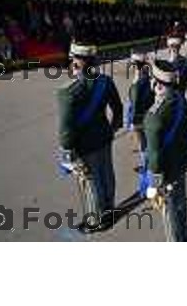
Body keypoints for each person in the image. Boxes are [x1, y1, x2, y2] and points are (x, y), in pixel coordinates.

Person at [56, 43, 123, 232]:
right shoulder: (105, 81)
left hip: (84, 144)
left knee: (89, 181)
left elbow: (65, 129)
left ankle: (95, 220)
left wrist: (67, 151)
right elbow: (117, 109)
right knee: (107, 174)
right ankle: (109, 211)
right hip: (104, 136)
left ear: (77, 61)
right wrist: (112, 129)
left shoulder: (69, 91)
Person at [143, 59, 187, 242]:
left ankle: (176, 240)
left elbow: (154, 154)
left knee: (169, 208)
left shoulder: (153, 116)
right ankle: (183, 232)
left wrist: (154, 180)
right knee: (180, 202)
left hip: (165, 169)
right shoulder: (180, 99)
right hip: (180, 160)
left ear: (156, 83)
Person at [125, 52, 155, 193]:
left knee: (143, 147)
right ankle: (148, 166)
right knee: (147, 145)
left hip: (140, 119)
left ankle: (147, 170)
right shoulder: (148, 77)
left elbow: (135, 103)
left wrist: (133, 123)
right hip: (148, 117)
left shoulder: (139, 82)